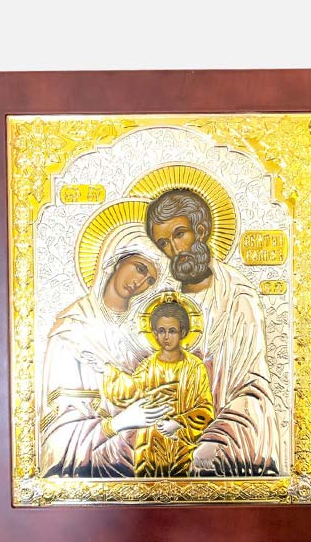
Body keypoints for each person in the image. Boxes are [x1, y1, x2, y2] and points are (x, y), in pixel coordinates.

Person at [145, 188, 281, 476]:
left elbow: (251, 388)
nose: (175, 249)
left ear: (201, 230)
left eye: (180, 234)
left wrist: (215, 437)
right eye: (164, 243)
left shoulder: (237, 297)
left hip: (221, 428)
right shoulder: (161, 300)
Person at [39, 224, 170, 477]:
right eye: (140, 268)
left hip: (146, 457)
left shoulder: (144, 335)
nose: (140, 282)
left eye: (150, 280)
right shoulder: (72, 331)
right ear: (117, 260)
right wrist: (119, 423)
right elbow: (58, 434)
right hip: (93, 460)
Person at [101, 300, 214, 477]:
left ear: (183, 332)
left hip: (182, 446)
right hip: (149, 445)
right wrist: (109, 372)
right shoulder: (147, 367)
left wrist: (178, 423)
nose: (166, 337)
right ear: (154, 333)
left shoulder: (195, 367)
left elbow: (205, 409)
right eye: (161, 331)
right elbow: (131, 393)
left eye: (172, 331)